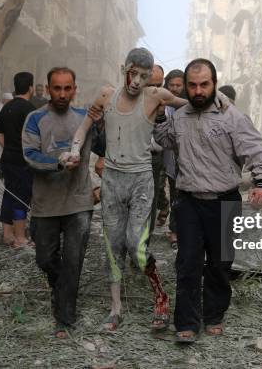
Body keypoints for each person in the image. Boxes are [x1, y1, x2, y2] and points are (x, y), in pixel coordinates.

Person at [67, 48, 188, 332]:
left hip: (141, 180)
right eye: (134, 74)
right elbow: (83, 128)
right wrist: (73, 151)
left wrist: (215, 99)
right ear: (125, 68)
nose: (137, 82)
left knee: (136, 243)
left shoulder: (155, 96)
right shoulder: (106, 96)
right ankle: (115, 308)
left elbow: (190, 102)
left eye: (144, 77)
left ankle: (160, 296)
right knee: (113, 244)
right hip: (112, 179)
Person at [154, 58, 262, 342]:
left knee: (220, 263)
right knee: (188, 262)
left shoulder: (233, 117)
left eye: (203, 84)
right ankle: (187, 323)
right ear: (186, 86)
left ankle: (214, 315)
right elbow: (163, 139)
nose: (197, 91)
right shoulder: (179, 116)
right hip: (189, 201)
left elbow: (255, 150)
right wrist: (158, 114)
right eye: (192, 85)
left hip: (225, 201)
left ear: (214, 84)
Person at [21, 67, 105, 337]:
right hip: (45, 204)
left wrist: (101, 124)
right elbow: (30, 155)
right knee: (45, 259)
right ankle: (61, 289)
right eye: (57, 88)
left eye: (67, 88)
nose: (62, 94)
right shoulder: (35, 118)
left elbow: (104, 148)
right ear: (47, 89)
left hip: (79, 202)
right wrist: (57, 162)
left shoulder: (85, 118)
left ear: (74, 89)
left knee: (73, 261)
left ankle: (64, 318)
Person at [0, 72, 36, 248]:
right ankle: (20, 238)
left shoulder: (7, 107)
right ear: (31, 88)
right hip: (22, 161)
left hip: (7, 158)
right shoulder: (29, 110)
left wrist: (7, 147)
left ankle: (7, 235)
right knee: (21, 196)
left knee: (9, 193)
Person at [162, 69, 185, 249]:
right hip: (163, 156)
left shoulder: (187, 105)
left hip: (184, 159)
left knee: (180, 195)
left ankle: (177, 230)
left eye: (179, 85)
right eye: (172, 85)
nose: (175, 89)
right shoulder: (160, 102)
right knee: (171, 193)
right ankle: (174, 228)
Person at [146, 64, 170, 234]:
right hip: (134, 159)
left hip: (157, 158)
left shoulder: (167, 104)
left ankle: (143, 242)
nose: (154, 90)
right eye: (150, 85)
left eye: (158, 86)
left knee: (154, 194)